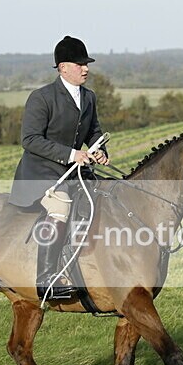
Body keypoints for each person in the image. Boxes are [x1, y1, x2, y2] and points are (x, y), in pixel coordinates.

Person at [9, 35, 110, 300]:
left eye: (86, 63)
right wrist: (71, 154)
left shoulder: (89, 97)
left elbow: (94, 130)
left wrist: (99, 150)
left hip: (74, 171)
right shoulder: (41, 98)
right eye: (79, 64)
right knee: (61, 206)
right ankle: (45, 280)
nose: (85, 68)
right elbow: (29, 140)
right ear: (63, 67)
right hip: (41, 173)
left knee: (108, 197)